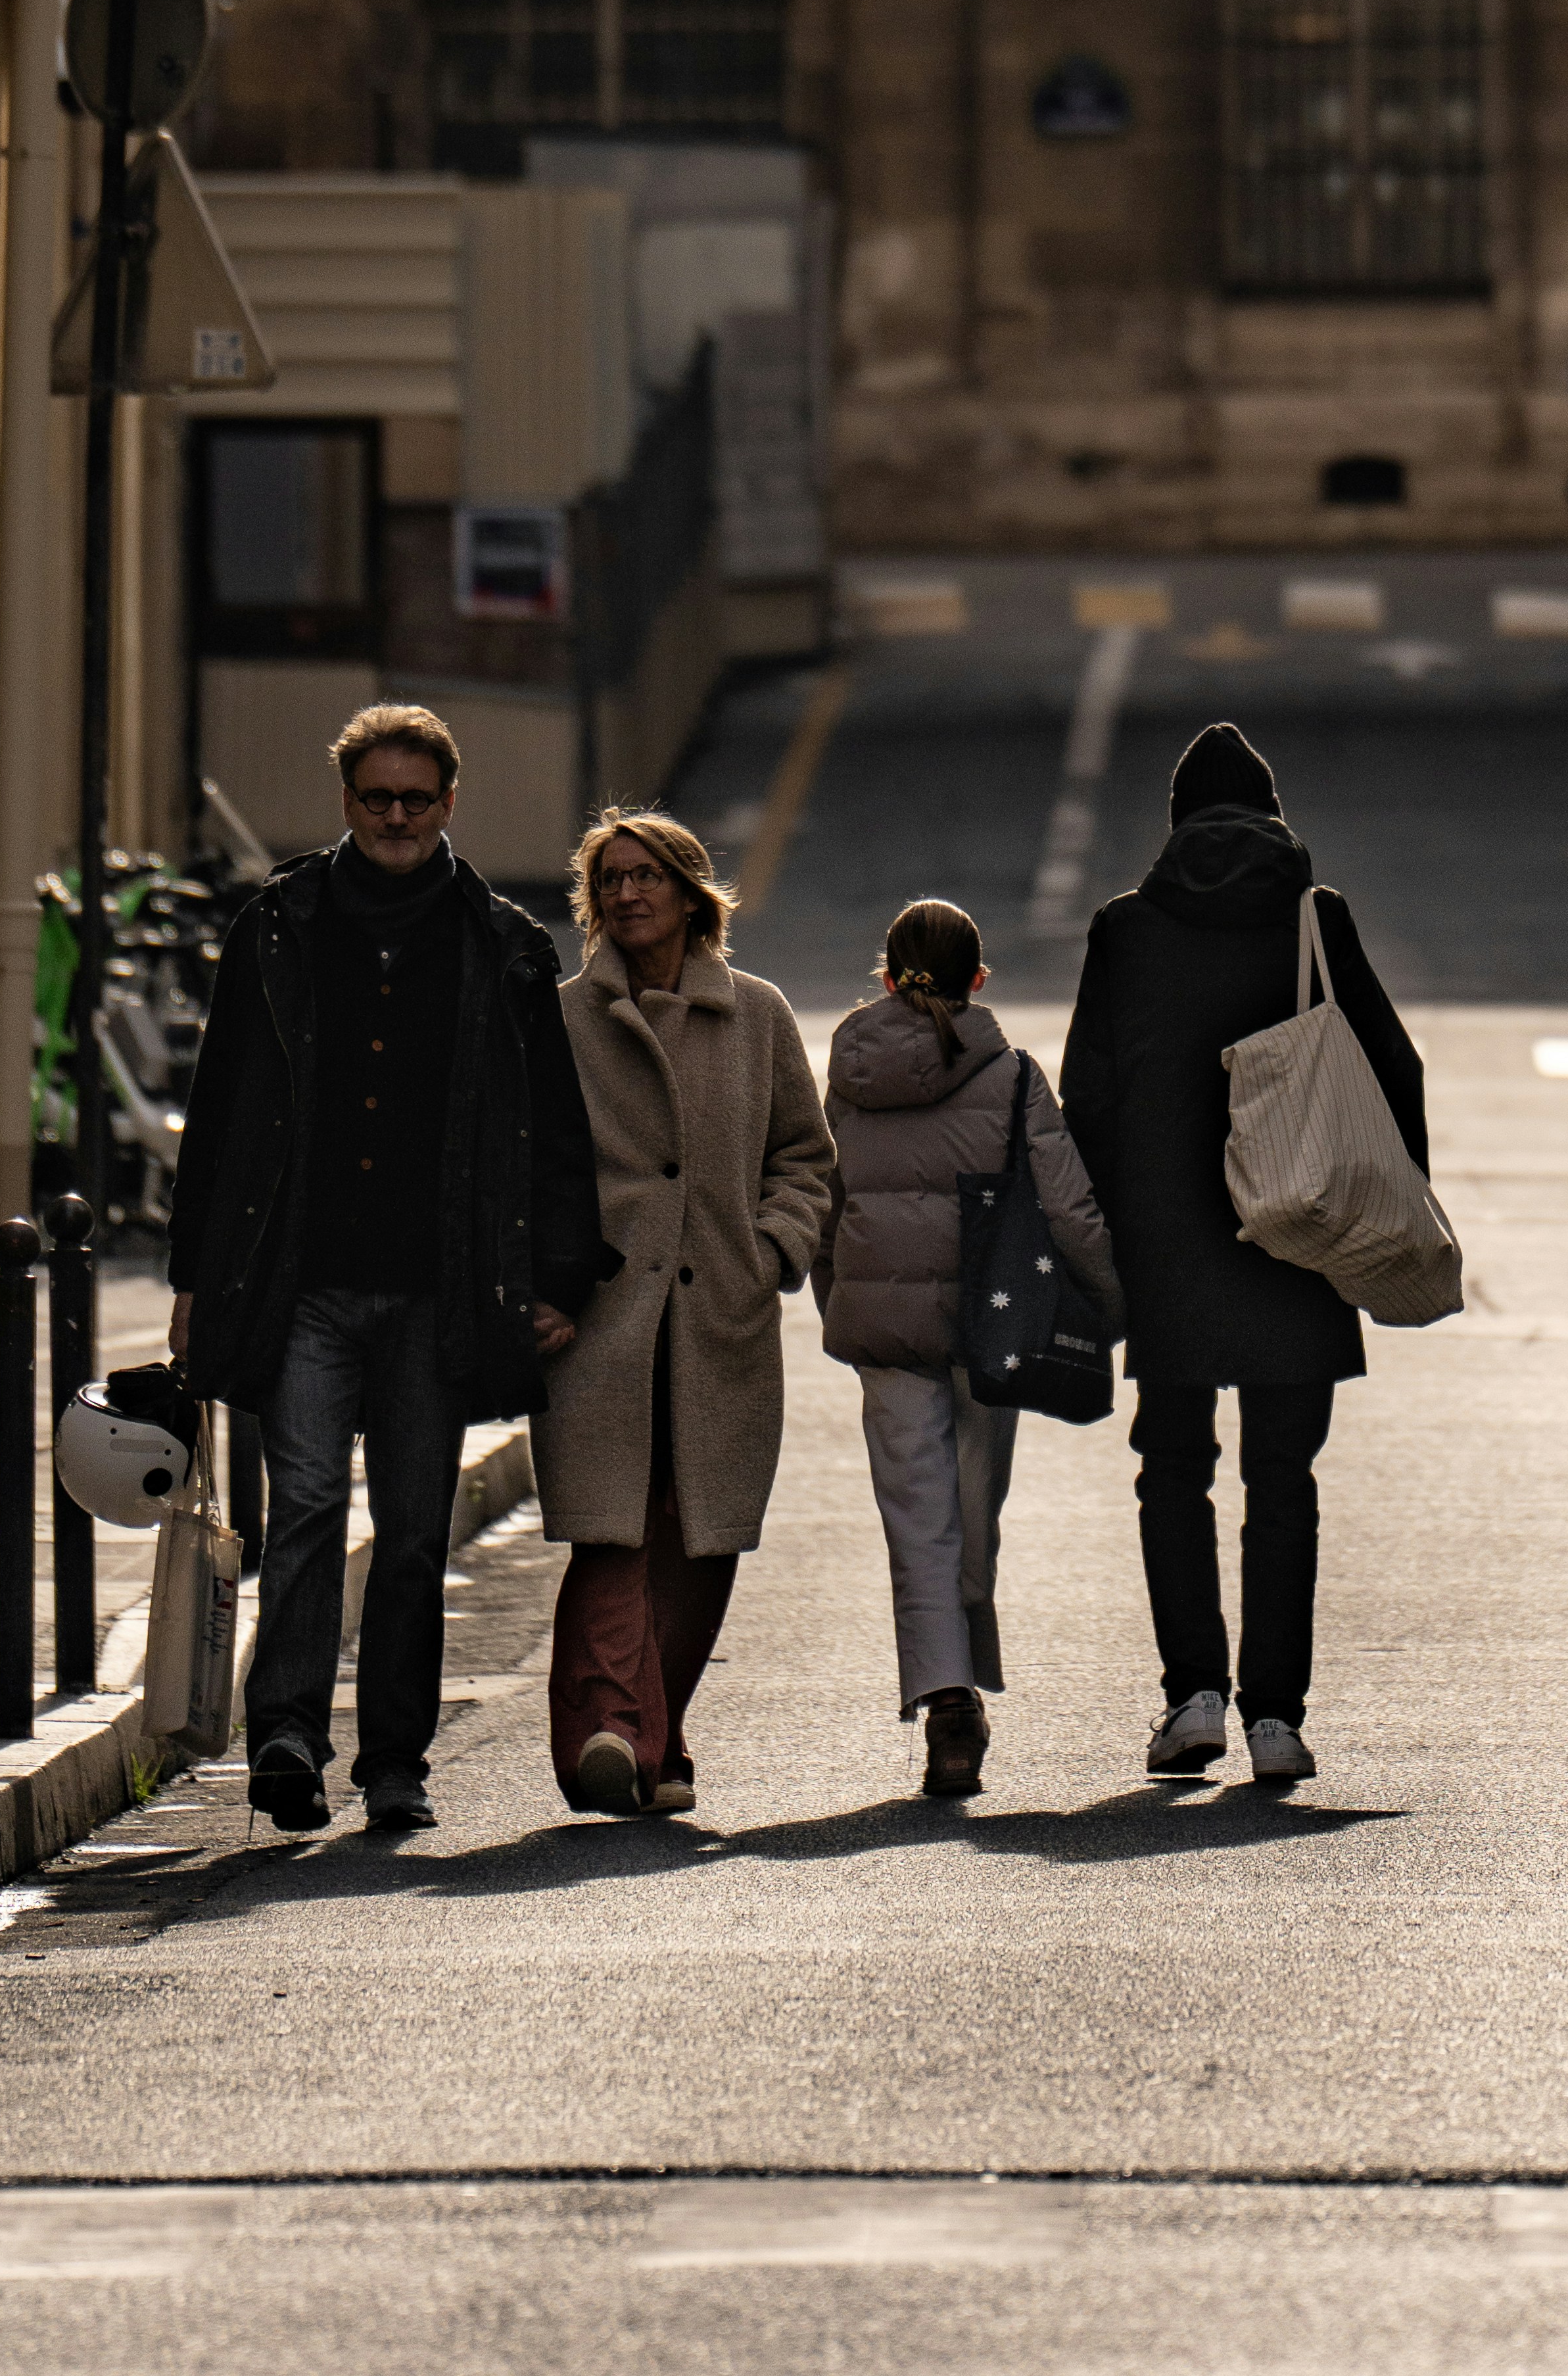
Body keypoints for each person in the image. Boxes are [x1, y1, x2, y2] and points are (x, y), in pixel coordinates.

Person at [163, 699, 610, 1844]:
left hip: (438, 1289)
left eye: (418, 797)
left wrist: (562, 1276)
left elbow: (551, 1129)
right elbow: (219, 1111)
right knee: (306, 1504)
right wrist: (194, 1275)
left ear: (449, 801)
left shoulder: (502, 942)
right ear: (346, 801)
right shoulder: (276, 923)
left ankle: (397, 1759)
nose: (399, 815)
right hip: (302, 1276)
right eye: (378, 797)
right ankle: (288, 1735)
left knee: (413, 1528)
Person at [1058, 718, 1429, 1792]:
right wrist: (1389, 1206)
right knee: (1284, 1477)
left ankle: (1194, 1695)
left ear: (1176, 822)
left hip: (1167, 1246)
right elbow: (1390, 1064)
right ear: (1272, 814)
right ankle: (1276, 1714)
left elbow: (1089, 1094)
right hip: (1298, 1234)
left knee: (1172, 1466)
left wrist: (1100, 1241)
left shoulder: (1126, 928)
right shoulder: (1316, 916)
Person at [536, 805, 835, 1820]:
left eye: (646, 876)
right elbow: (521, 1171)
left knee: (704, 1541)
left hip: (721, 1314)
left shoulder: (758, 1014)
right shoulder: (562, 1017)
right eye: (609, 879)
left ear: (691, 893)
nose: (626, 894)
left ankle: (648, 1744)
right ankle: (616, 1736)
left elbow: (805, 1156)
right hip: (600, 1320)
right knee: (612, 1533)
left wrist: (773, 1249)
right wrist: (535, 1286)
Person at [816, 896, 1120, 1799]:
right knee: (973, 1515)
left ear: (886, 976)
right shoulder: (1015, 1075)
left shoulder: (849, 1069)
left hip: (884, 1327)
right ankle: (961, 1683)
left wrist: (838, 1294)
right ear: (978, 979)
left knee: (917, 1519)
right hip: (996, 1323)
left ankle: (949, 1702)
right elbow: (1069, 1205)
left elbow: (827, 1193)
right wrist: (1107, 1301)